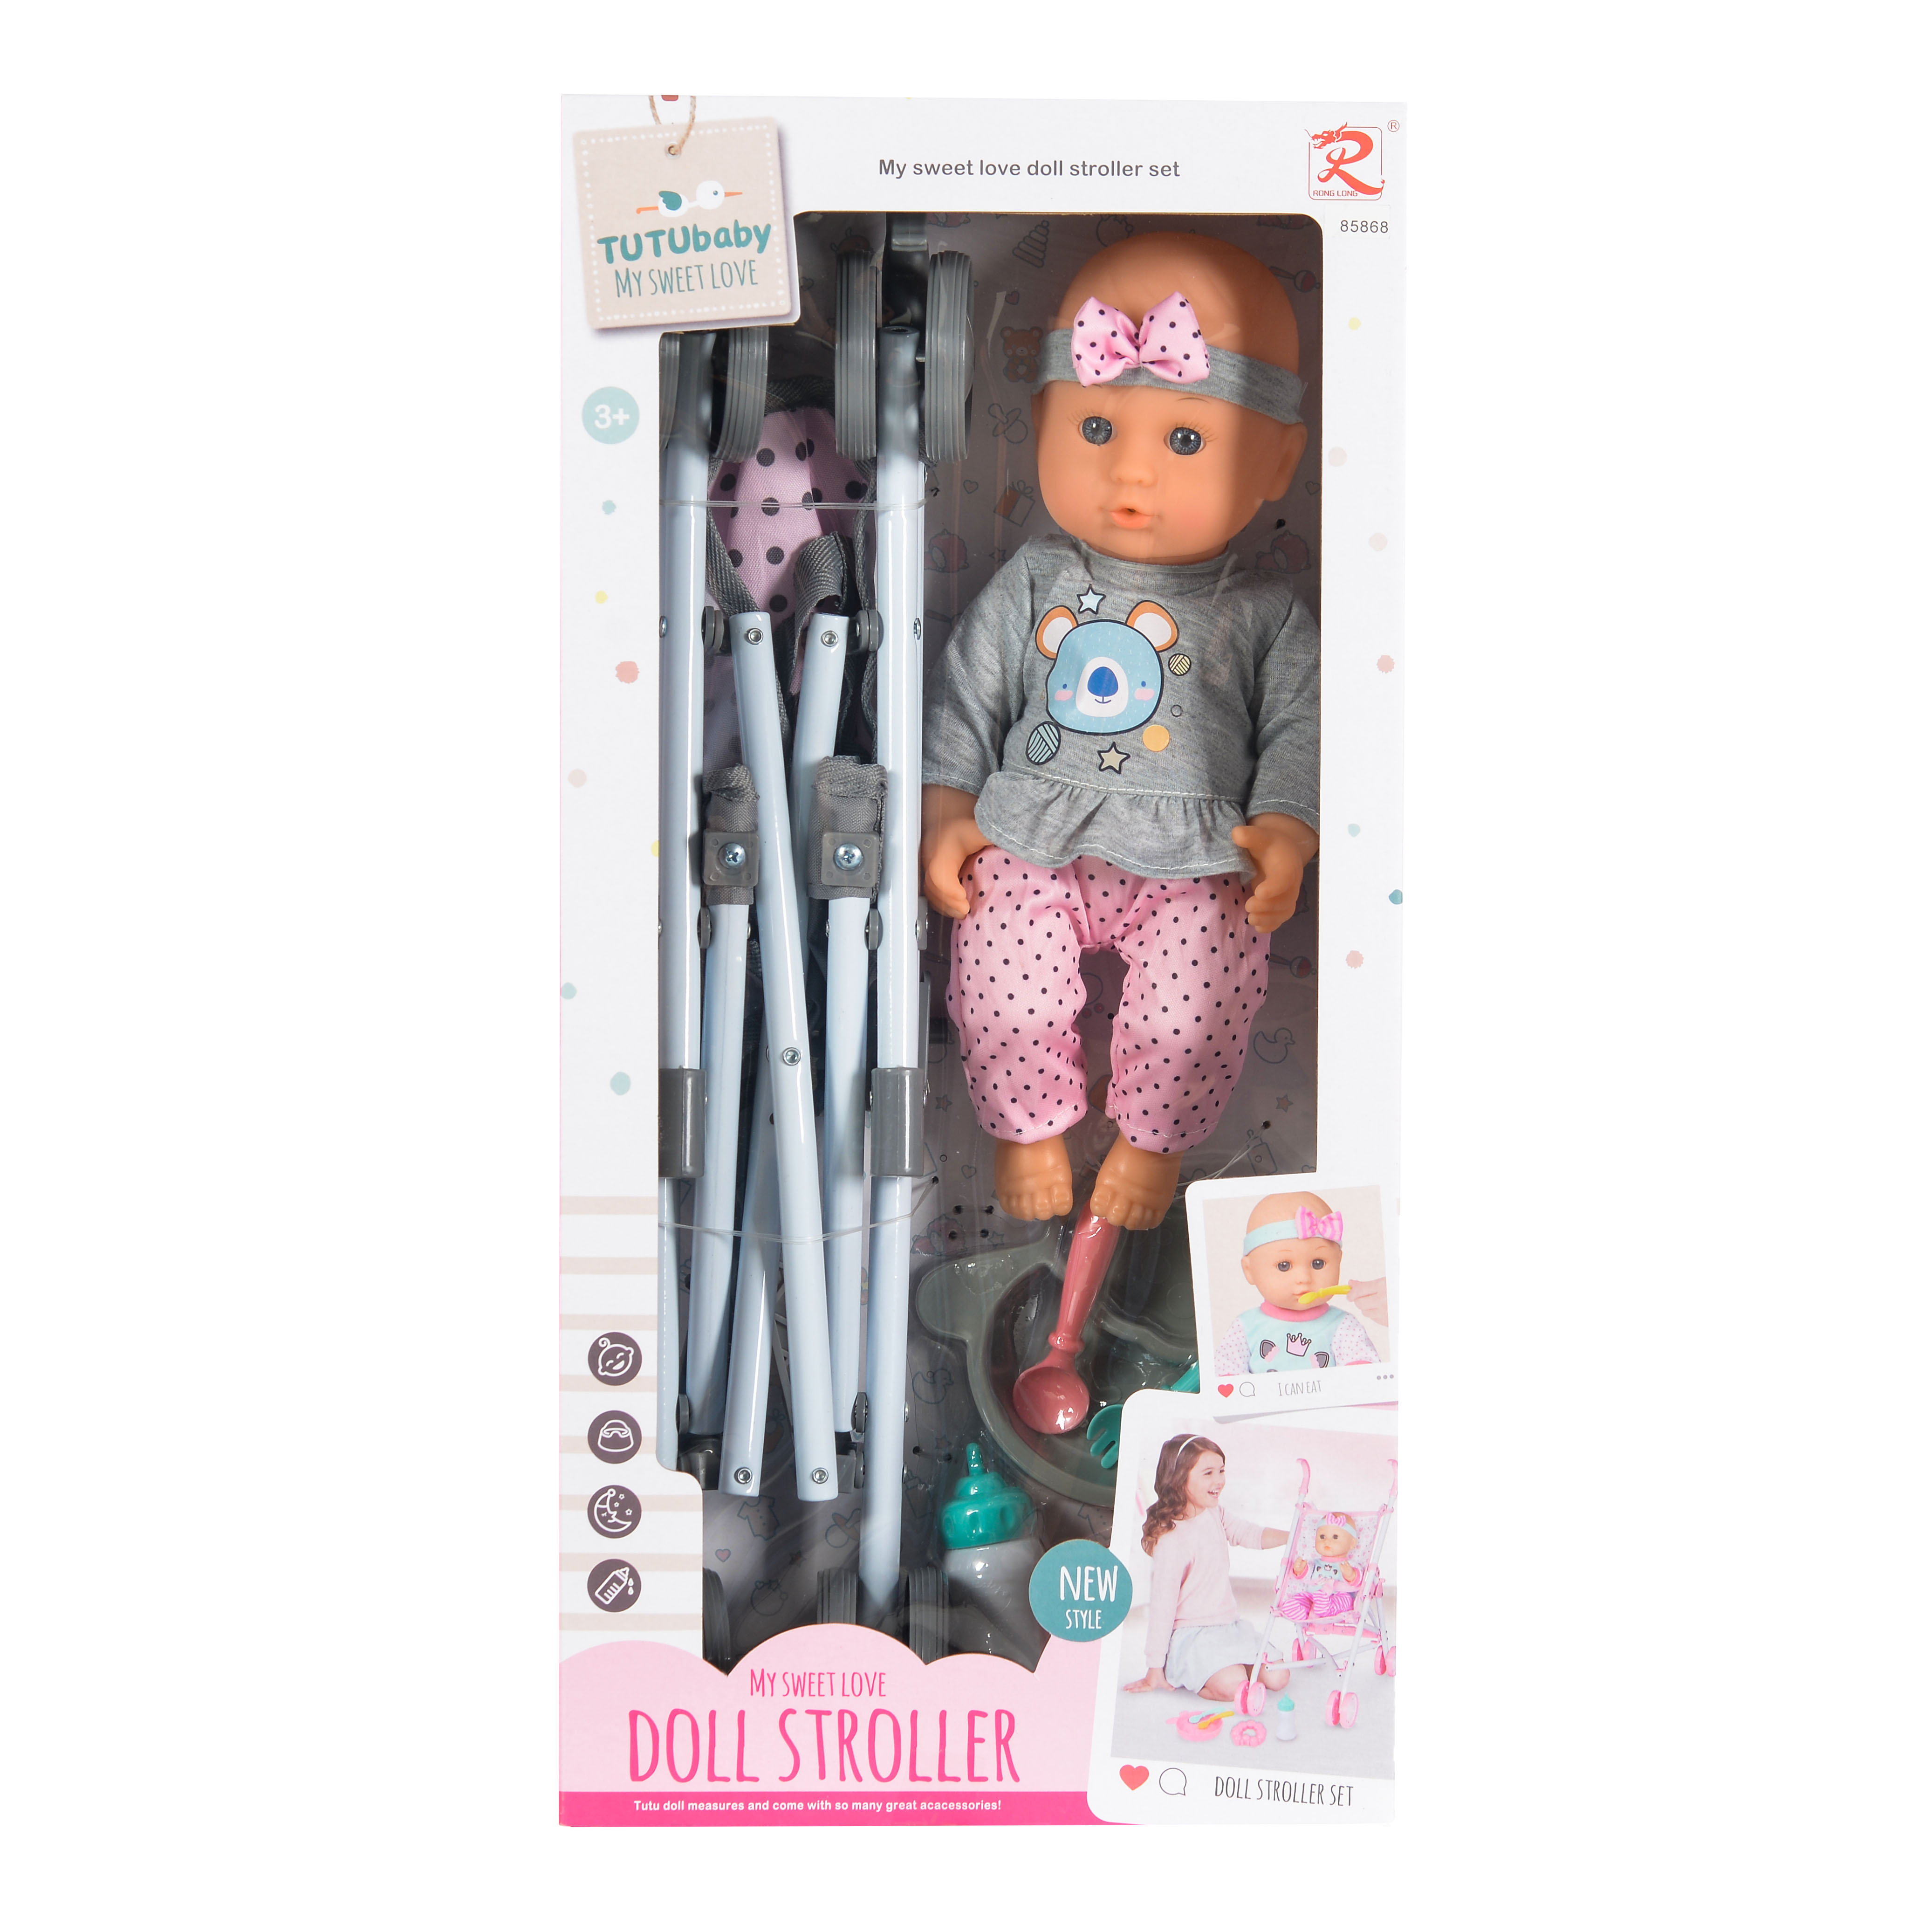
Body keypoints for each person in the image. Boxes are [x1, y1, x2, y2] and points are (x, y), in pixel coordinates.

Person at [921, 231, 1320, 1231]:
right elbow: (969, 695)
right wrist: (947, 805)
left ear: (1278, 460)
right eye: (1097, 428)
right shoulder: (1035, 581)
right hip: (1029, 839)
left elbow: (1301, 728)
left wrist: (1287, 826)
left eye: (1185, 441)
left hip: (1202, 859)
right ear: (1043, 420)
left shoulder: (1267, 614)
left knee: (1195, 1015)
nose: (1130, 474)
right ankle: (1026, 1126)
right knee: (1003, 996)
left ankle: (1153, 1143)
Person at [1123, 1432, 1291, 1700]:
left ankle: (1229, 1668)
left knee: (1279, 1677)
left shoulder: (1215, 1513)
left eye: (1221, 1471)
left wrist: (1293, 1537)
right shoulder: (1172, 1540)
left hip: (1229, 1627)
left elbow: (1249, 1534)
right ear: (1180, 1479)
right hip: (1193, 1637)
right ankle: (1200, 1677)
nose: (1219, 1481)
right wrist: (1155, 1667)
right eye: (1208, 1473)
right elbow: (1163, 1606)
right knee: (1236, 1687)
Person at [1215, 1189, 1378, 1374]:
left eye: (1318, 1263)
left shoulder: (1343, 1326)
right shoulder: (1245, 1327)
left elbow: (1363, 1372)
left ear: (1339, 1261)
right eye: (1284, 1266)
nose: (1304, 1278)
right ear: (1249, 1271)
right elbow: (1225, 1372)